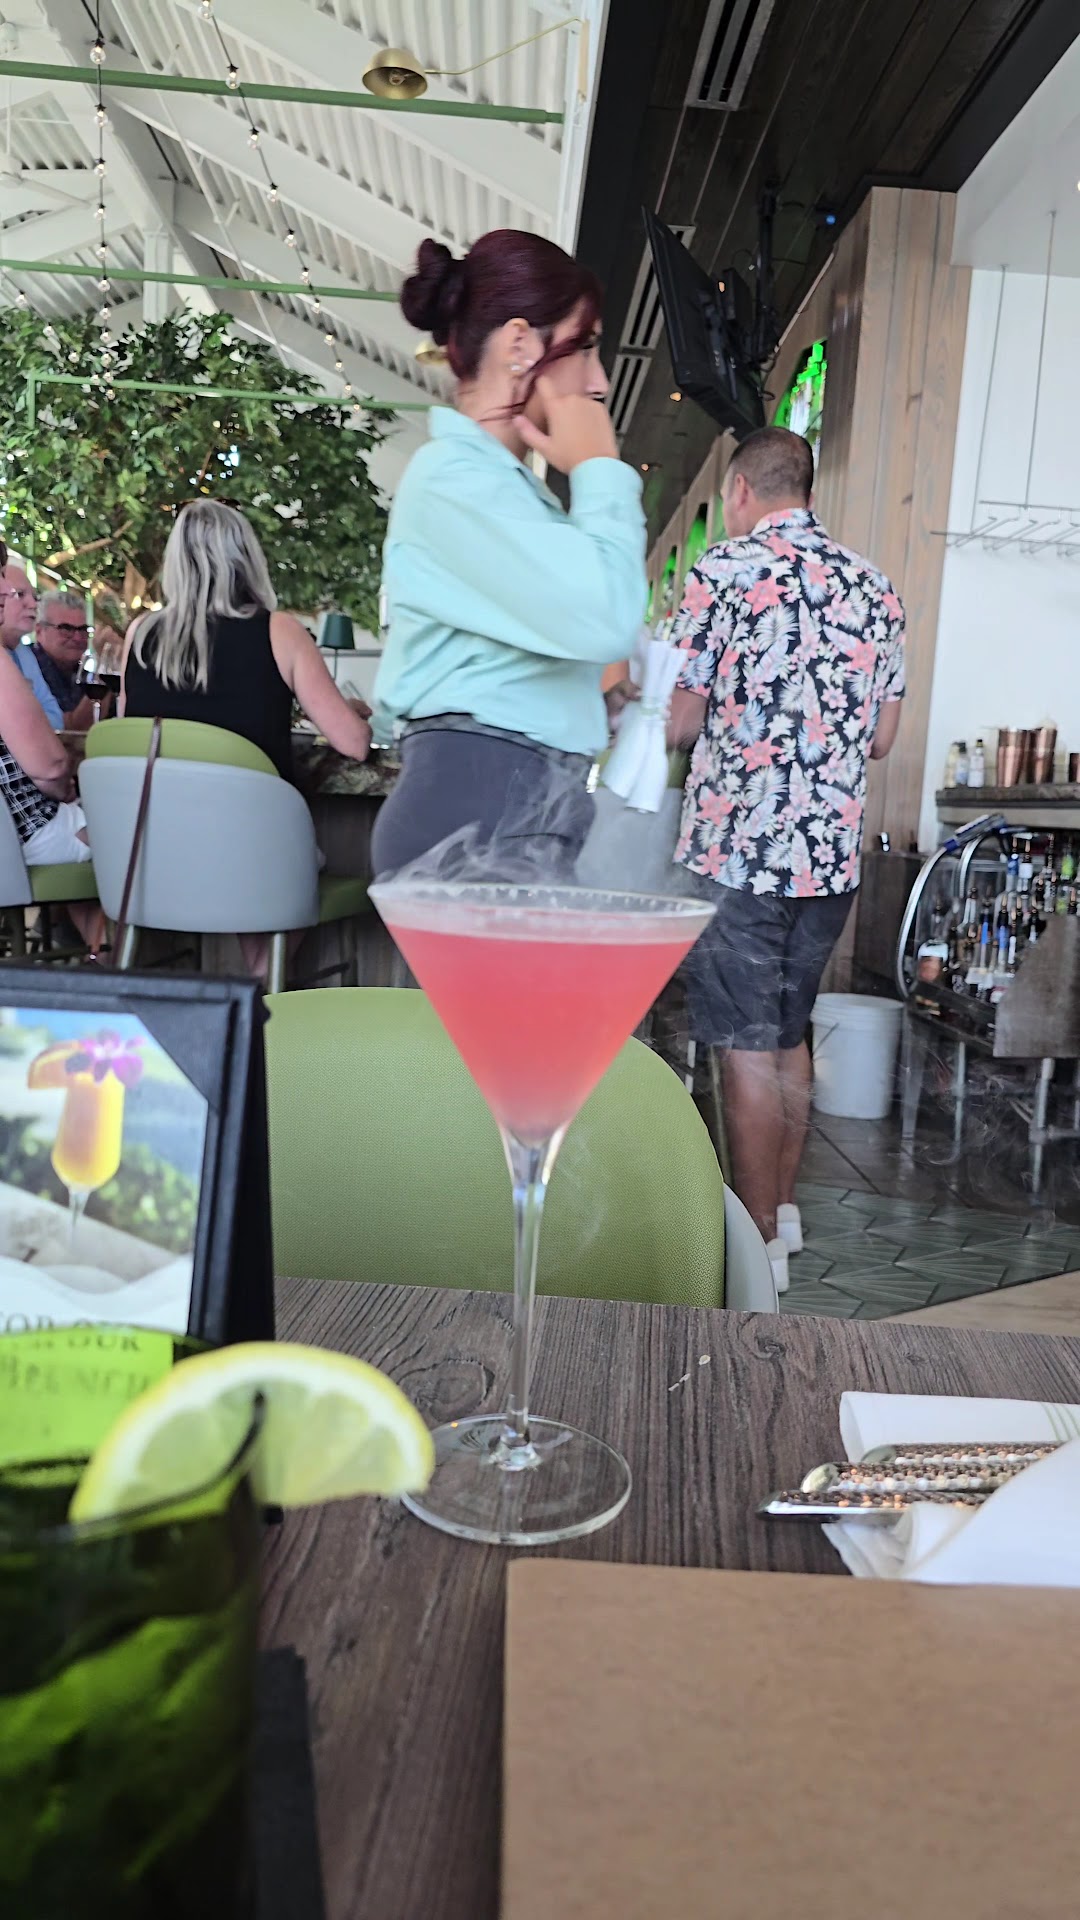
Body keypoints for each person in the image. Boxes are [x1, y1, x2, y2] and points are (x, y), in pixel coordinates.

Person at [666, 427, 905, 1294]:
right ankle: (786, 1214)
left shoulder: (722, 571)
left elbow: (678, 719)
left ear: (738, 490)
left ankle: (758, 1245)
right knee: (786, 1032)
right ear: (805, 488)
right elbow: (882, 738)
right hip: (829, 860)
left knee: (743, 1046)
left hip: (739, 851)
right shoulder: (875, 587)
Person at [371, 228, 646, 878]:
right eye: (585, 346)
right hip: (481, 810)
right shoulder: (453, 480)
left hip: (497, 808)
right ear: (521, 344)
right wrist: (600, 469)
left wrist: (583, 700)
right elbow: (607, 617)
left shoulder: (494, 489)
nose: (599, 380)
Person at [121, 499, 372, 776]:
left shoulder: (140, 633)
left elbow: (128, 733)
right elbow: (354, 743)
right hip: (251, 804)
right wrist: (347, 714)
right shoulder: (280, 631)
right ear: (246, 558)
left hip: (158, 804)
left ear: (176, 562)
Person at [0, 547, 63, 730]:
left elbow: (55, 719)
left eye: (35, 597)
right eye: (20, 594)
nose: (33, 604)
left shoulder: (24, 654)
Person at [32, 591, 101, 732]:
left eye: (83, 630)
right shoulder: (27, 669)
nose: (77, 638)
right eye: (66, 629)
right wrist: (105, 663)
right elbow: (69, 731)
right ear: (39, 631)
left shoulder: (82, 675)